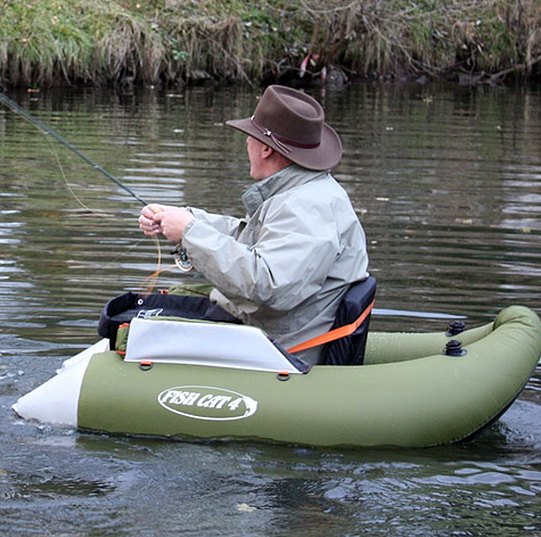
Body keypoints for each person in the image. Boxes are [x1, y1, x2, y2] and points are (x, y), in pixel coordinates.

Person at [138, 85, 369, 365]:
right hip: (273, 334)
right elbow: (248, 237)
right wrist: (185, 219)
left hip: (281, 353)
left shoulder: (307, 207)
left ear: (266, 149)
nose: (246, 143)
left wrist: (189, 233)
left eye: (250, 136)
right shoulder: (303, 193)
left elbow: (267, 286)